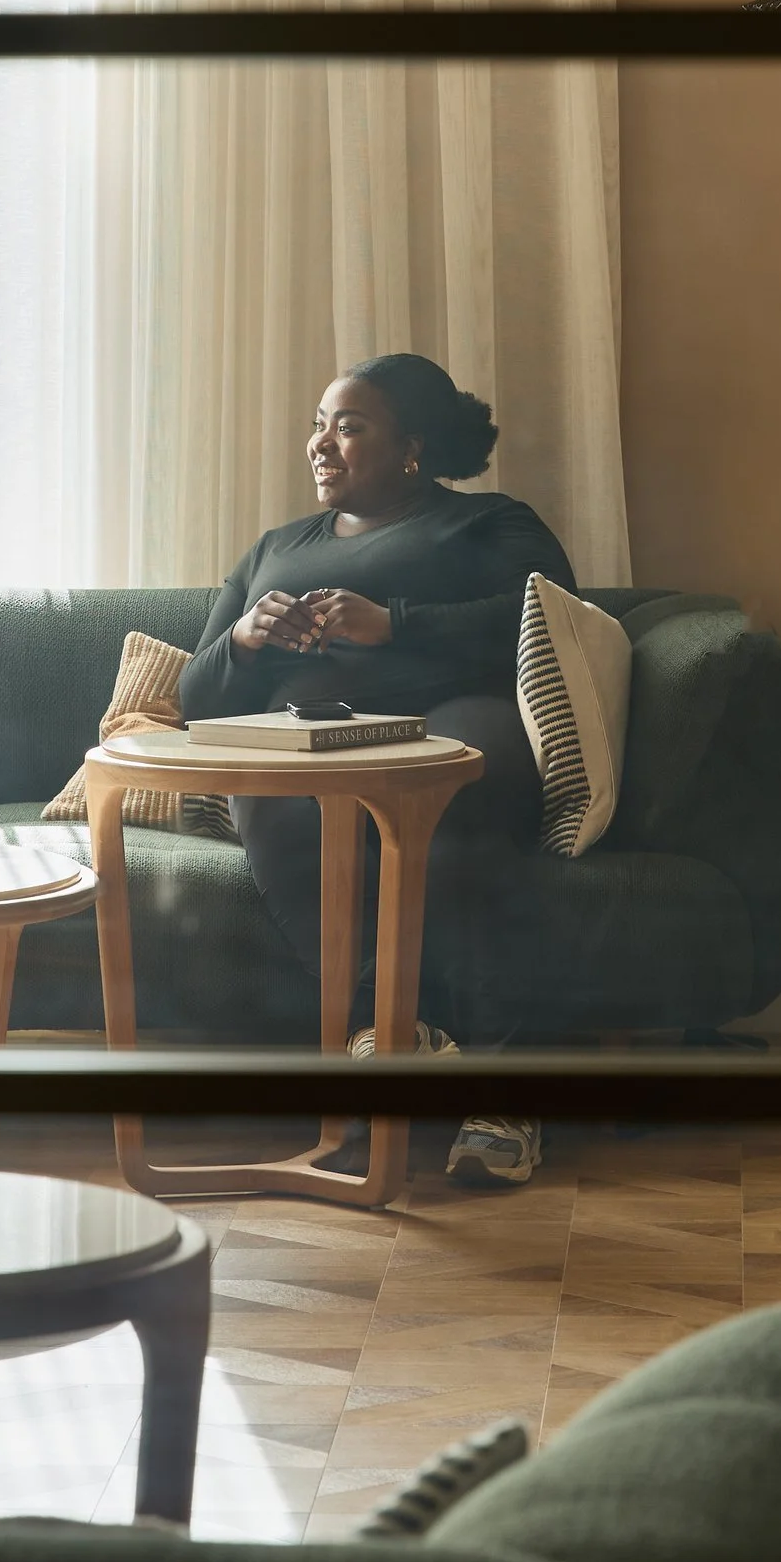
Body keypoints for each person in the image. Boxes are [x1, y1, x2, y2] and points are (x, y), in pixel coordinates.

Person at [180, 352, 567, 1188]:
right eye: (320, 424)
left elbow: (548, 613)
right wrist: (247, 639)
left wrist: (394, 625)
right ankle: (385, 1036)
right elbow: (193, 696)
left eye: (350, 427)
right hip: (312, 735)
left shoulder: (487, 523)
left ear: (412, 449)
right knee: (278, 804)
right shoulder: (274, 549)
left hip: (454, 711)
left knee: (451, 785)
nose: (322, 443)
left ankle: (503, 1093)